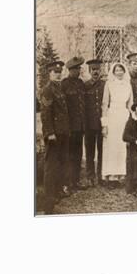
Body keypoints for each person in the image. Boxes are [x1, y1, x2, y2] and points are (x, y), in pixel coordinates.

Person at [39, 61, 70, 212]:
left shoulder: (60, 88)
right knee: (51, 166)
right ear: (49, 74)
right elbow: (45, 114)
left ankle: (57, 191)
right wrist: (50, 132)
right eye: (54, 72)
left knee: (60, 163)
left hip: (62, 132)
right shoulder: (47, 90)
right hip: (53, 134)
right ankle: (49, 196)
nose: (58, 74)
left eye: (59, 72)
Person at [101, 62, 133, 187]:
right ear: (113, 72)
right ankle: (112, 176)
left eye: (121, 70)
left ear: (124, 72)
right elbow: (104, 104)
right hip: (112, 116)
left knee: (122, 145)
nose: (119, 72)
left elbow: (131, 104)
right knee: (112, 146)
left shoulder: (128, 85)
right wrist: (105, 124)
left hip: (124, 117)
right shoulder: (109, 84)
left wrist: (132, 120)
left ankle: (122, 175)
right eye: (117, 70)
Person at [61, 56, 87, 191]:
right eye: (76, 69)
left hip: (80, 126)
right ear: (70, 70)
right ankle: (68, 182)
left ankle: (76, 181)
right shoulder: (64, 84)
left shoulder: (81, 83)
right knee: (69, 155)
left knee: (77, 154)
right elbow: (63, 108)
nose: (78, 71)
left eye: (79, 68)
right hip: (70, 127)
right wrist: (67, 126)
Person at [84, 59, 106, 186]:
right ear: (89, 71)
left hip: (101, 123)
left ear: (100, 70)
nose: (95, 72)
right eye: (93, 70)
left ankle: (101, 176)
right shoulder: (85, 86)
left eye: (97, 69)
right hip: (89, 124)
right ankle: (90, 176)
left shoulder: (105, 85)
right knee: (90, 150)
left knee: (102, 150)